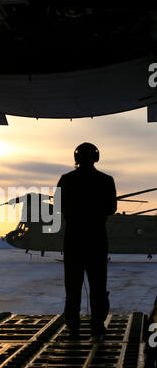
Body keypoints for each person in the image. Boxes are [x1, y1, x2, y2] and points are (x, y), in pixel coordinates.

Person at [57, 142, 117, 341]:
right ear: (96, 157)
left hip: (74, 239)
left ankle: (73, 328)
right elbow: (112, 208)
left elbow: (59, 207)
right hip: (97, 240)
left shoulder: (66, 180)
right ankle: (97, 326)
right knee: (98, 286)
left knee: (72, 288)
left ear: (76, 158)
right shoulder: (106, 180)